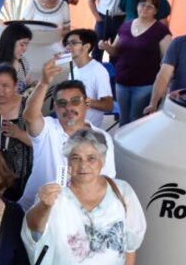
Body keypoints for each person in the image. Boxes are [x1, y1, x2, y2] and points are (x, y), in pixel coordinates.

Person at [22, 130, 146, 265]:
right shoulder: (54, 193)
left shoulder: (122, 192)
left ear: (103, 161)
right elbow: (34, 230)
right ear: (68, 163)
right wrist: (44, 205)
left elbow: (130, 247)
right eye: (76, 158)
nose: (83, 165)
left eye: (91, 158)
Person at [19, 60, 117, 210]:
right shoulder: (48, 129)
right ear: (56, 108)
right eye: (62, 103)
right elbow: (30, 116)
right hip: (35, 209)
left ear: (86, 103)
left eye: (75, 101)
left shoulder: (102, 138)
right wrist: (44, 83)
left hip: (77, 214)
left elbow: (107, 179)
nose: (69, 107)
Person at [98, 0, 172, 124]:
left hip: (145, 84)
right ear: (137, 6)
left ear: (155, 11)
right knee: (123, 118)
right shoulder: (125, 26)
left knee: (135, 120)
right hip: (122, 81)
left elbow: (167, 60)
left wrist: (165, 84)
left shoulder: (161, 31)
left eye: (150, 7)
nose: (145, 8)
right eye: (142, 5)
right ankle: (119, 144)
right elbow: (116, 51)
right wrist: (106, 47)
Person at [0, 64, 33, 201]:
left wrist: (19, 134)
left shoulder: (27, 106)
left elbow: (41, 141)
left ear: (16, 86)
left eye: (5, 86)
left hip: (19, 180)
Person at [61, 29, 114, 128]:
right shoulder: (74, 70)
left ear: (86, 47)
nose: (68, 47)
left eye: (74, 43)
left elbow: (108, 105)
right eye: (67, 43)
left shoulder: (98, 71)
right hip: (72, 124)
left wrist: (85, 101)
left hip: (88, 129)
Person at [0, 22, 33, 93]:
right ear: (10, 42)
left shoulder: (24, 63)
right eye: (22, 45)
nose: (25, 49)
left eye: (27, 45)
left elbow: (28, 86)